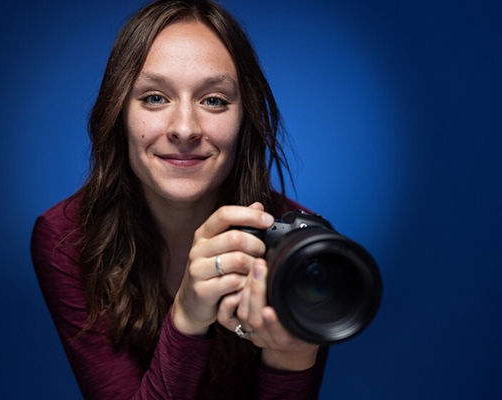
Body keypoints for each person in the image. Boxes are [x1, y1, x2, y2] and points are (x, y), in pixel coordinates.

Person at [31, 0, 329, 398]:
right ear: (118, 112)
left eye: (214, 100)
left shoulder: (305, 247)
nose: (185, 128)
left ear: (245, 119)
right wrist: (187, 316)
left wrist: (291, 359)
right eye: (155, 97)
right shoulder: (66, 238)